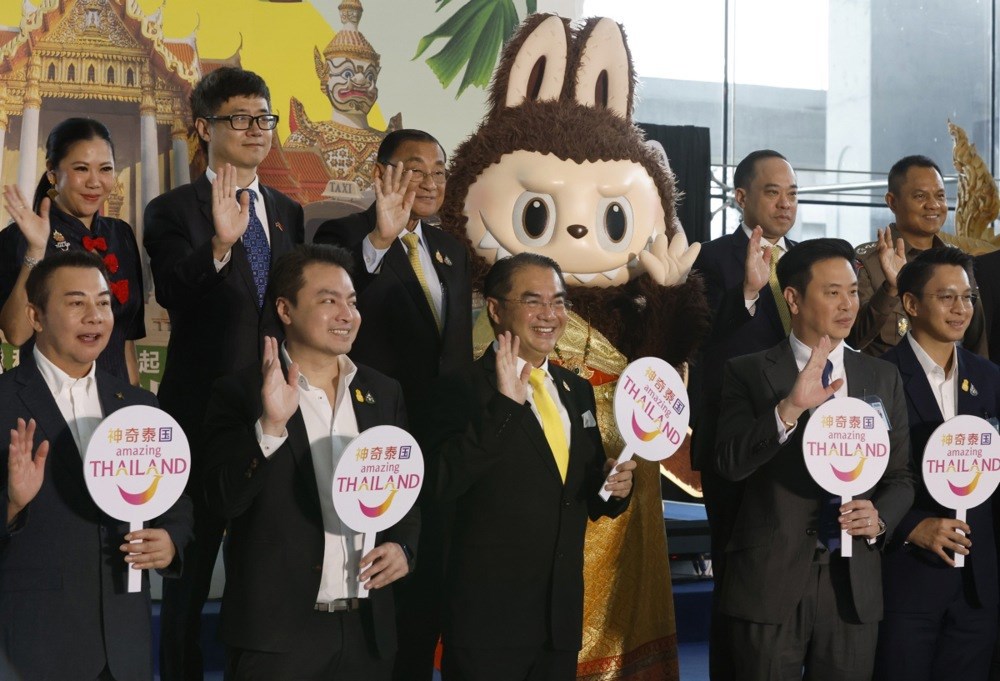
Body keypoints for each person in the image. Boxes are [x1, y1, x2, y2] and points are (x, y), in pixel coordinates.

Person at [143, 66, 305, 680]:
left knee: (264, 566)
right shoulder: (171, 209)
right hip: (202, 416)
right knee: (188, 572)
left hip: (274, 414)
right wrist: (218, 245)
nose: (257, 129)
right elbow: (173, 291)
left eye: (264, 118)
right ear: (204, 128)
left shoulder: (288, 210)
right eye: (241, 118)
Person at [202, 244, 418, 680]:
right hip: (277, 638)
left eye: (351, 302)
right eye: (328, 301)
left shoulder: (383, 392)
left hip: (367, 631)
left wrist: (404, 548)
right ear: (285, 309)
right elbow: (222, 500)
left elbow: (405, 487)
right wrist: (270, 426)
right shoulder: (241, 393)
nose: (346, 314)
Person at [428, 253, 635, 681]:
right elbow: (441, 484)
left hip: (558, 622)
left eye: (558, 302)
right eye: (533, 301)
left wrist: (613, 488)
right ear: (495, 309)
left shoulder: (576, 389)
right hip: (487, 625)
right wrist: (506, 409)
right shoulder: (459, 388)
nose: (549, 314)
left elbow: (581, 494)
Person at [715, 238, 915, 680]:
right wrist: (788, 408)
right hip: (770, 579)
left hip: (853, 585)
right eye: (832, 292)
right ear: (793, 299)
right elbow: (729, 463)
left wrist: (879, 517)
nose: (848, 305)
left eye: (853, 292)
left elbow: (901, 477)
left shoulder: (881, 376)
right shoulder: (748, 371)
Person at [313, 128, 472, 681]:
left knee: (428, 574)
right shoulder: (342, 235)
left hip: (441, 441)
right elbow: (340, 315)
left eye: (438, 171)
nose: (429, 182)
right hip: (372, 433)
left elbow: (453, 351)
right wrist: (380, 241)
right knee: (377, 577)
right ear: (381, 174)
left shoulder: (451, 250)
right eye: (414, 169)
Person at [0, 250, 192, 680]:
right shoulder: (4, 401)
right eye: (76, 303)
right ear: (35, 316)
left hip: (126, 646)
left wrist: (170, 539)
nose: (95, 316)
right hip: (35, 646)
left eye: (103, 303)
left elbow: (175, 500)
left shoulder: (138, 405)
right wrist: (11, 503)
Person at [690, 149, 798, 676]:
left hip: (799, 438)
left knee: (790, 567)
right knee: (736, 570)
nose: (785, 204)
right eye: (772, 192)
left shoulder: (806, 261)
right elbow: (699, 337)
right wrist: (750, 292)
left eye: (792, 194)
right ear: (740, 197)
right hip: (736, 440)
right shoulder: (712, 259)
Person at [875, 248, 999, 680]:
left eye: (968, 297)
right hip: (906, 581)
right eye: (946, 297)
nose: (961, 308)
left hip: (977, 590)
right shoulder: (878, 376)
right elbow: (861, 476)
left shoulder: (988, 378)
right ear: (911, 304)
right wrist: (912, 526)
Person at [0, 118, 145, 384]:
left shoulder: (121, 234)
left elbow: (126, 342)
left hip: (115, 399)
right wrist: (36, 249)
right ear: (52, 172)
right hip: (49, 399)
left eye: (105, 169)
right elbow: (16, 334)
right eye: (81, 169)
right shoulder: (21, 237)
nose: (95, 182)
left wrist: (135, 400)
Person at [852, 155, 986, 358]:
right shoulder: (869, 261)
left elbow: (978, 343)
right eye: (920, 196)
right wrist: (890, 289)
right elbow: (855, 338)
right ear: (892, 202)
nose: (933, 205)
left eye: (940, 196)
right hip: (890, 376)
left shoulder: (959, 262)